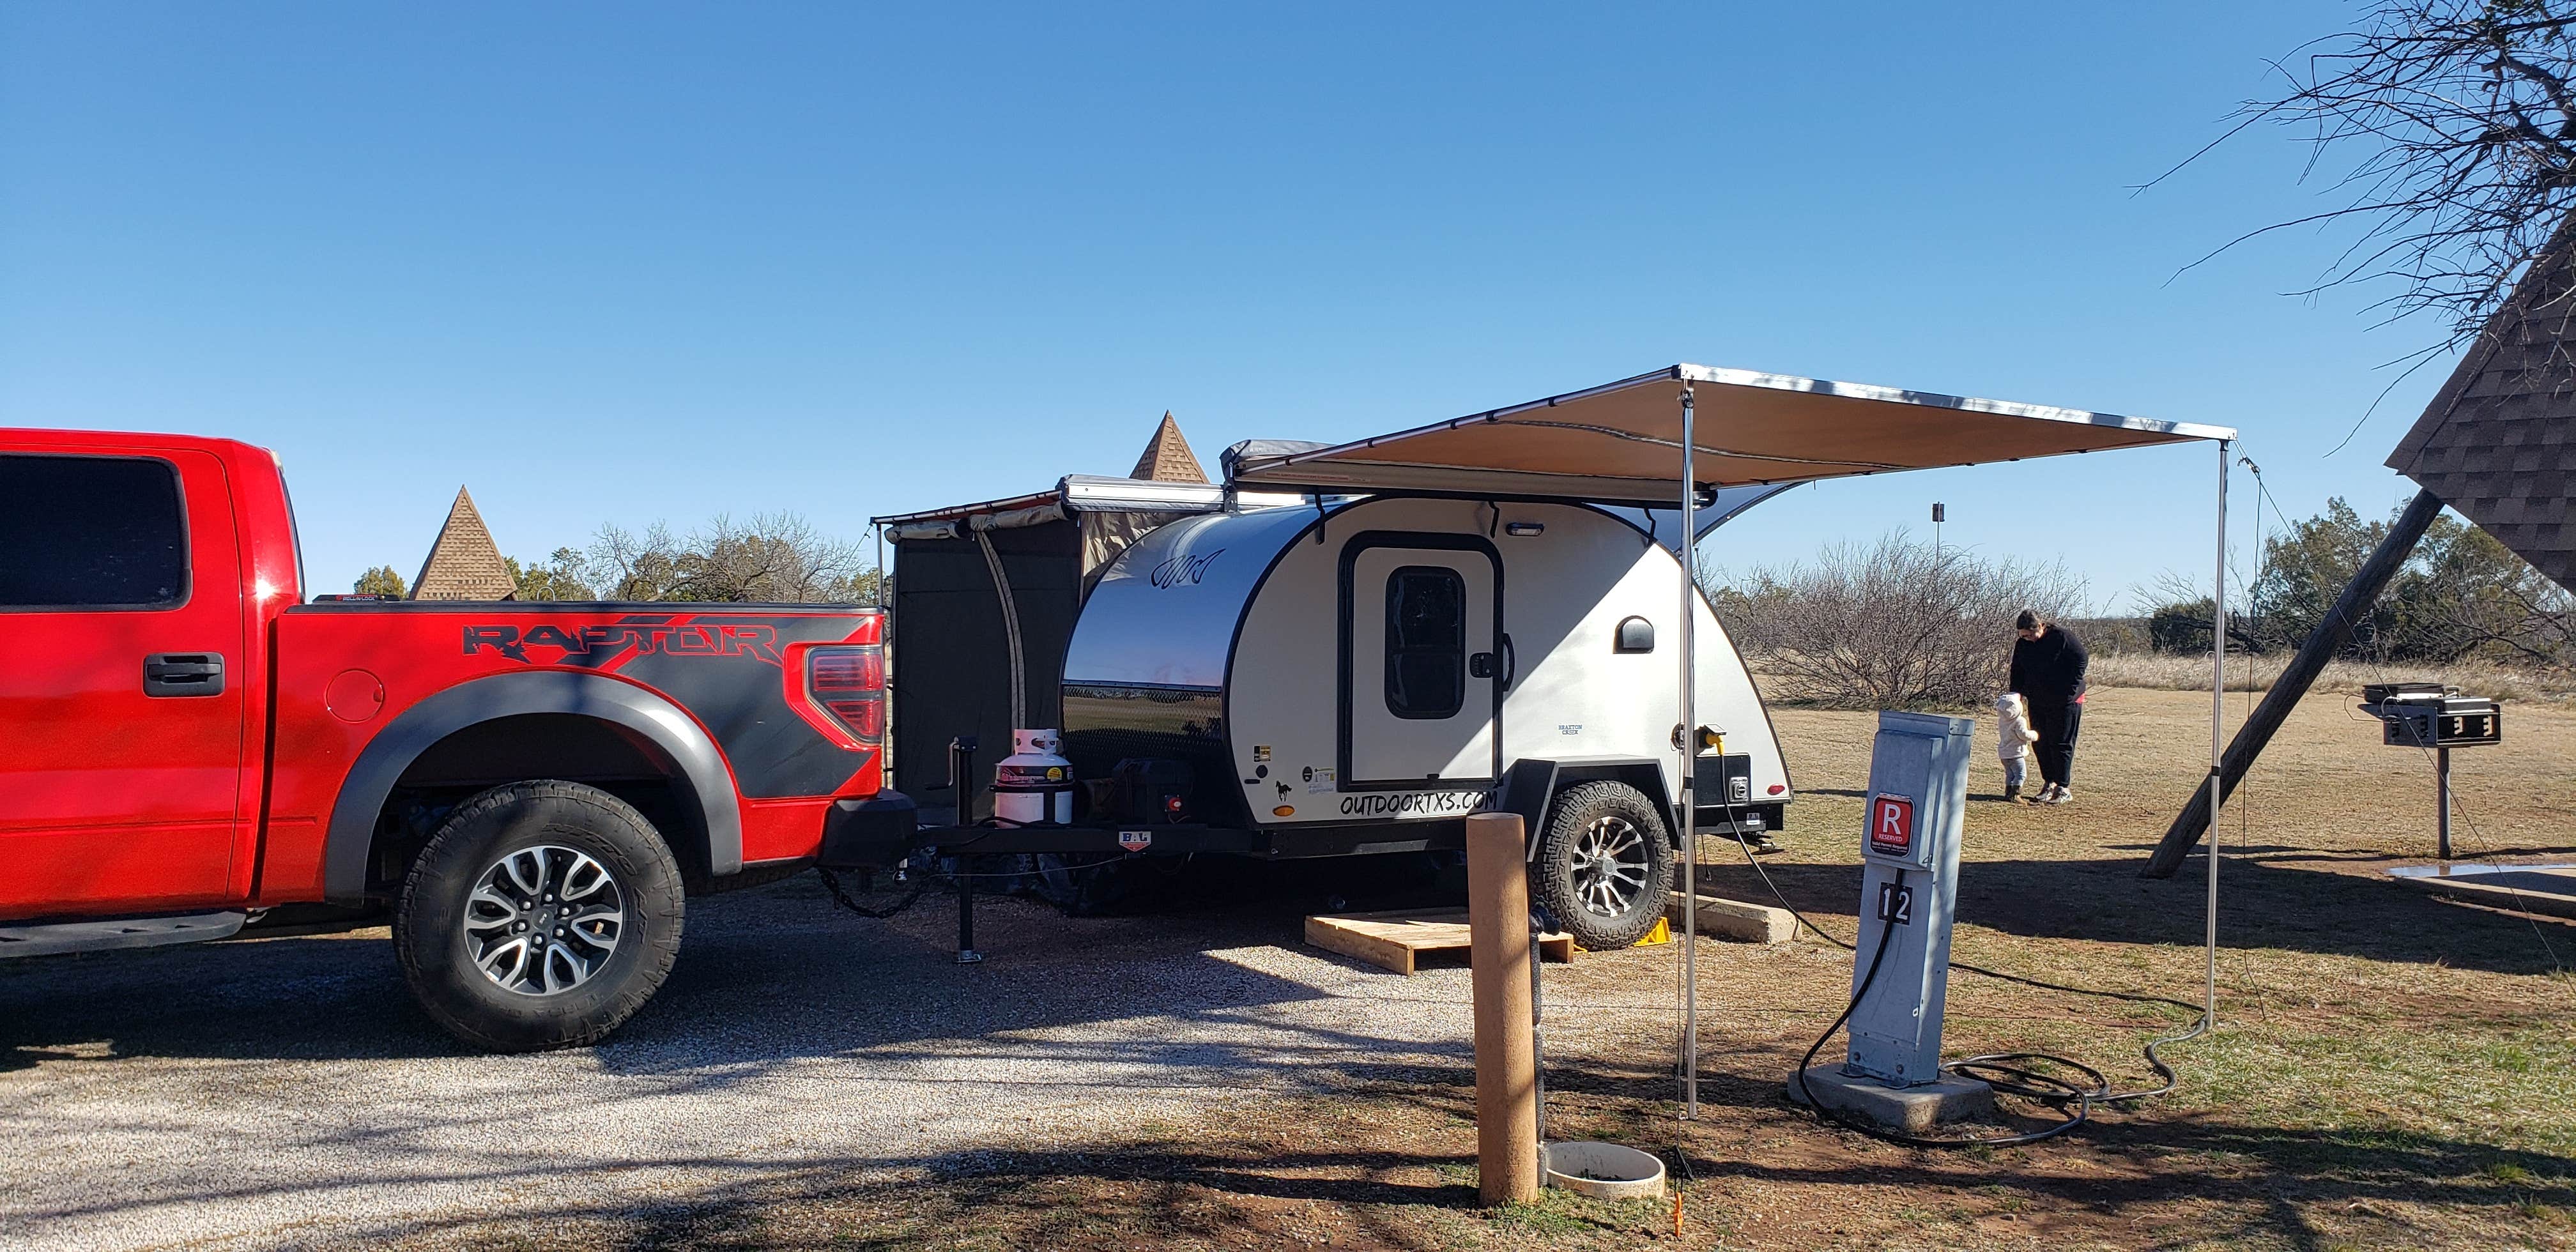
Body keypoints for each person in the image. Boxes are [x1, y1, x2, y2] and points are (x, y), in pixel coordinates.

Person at [2007, 609, 2088, 804]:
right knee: (2040, 741)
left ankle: (2063, 787)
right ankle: (2049, 782)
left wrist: (2070, 690)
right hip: (2039, 698)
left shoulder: (2061, 637)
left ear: (2041, 626)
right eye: (2023, 635)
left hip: (2067, 699)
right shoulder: (2023, 645)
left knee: (2061, 742)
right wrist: (2015, 694)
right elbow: (2017, 669)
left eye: (2031, 634)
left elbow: (2081, 660)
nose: (2028, 639)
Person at [1993, 691, 2038, 802]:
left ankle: (2008, 792)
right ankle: (2015, 794)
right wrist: (2034, 735)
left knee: (2010, 773)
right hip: (2016, 753)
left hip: (2004, 753)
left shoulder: (2002, 721)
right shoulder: (2019, 721)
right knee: (2021, 774)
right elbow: (2023, 735)